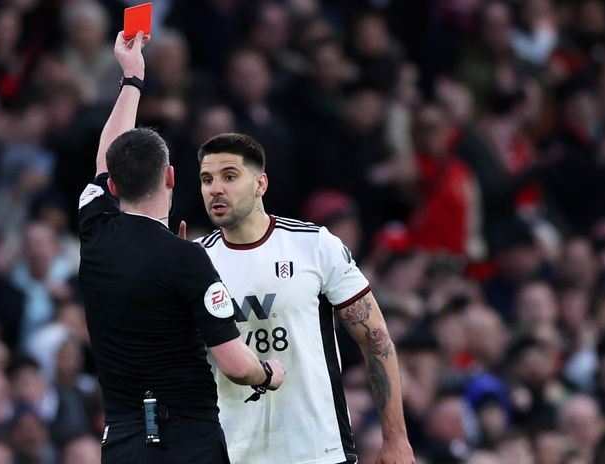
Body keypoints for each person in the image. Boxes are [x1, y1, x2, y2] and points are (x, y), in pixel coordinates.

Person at [77, 31, 285, 464]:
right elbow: (233, 363)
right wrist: (268, 373)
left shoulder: (94, 228)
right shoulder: (187, 258)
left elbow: (104, 155)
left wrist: (131, 78)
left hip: (122, 442)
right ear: (171, 177)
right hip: (187, 440)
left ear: (112, 186)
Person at [187, 133, 414, 464]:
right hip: (231, 454)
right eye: (207, 180)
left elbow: (375, 337)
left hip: (317, 451)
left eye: (230, 176)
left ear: (260, 183)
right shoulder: (193, 261)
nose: (215, 188)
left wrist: (396, 438)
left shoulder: (314, 245)